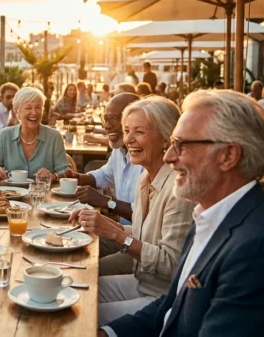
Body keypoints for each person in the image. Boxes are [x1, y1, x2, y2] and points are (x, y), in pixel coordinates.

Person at [100, 90, 264, 337]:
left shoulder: (260, 250)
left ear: (228, 156)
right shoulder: (210, 216)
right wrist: (108, 332)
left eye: (183, 144)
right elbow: (174, 305)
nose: (170, 157)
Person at [70, 96, 194, 325]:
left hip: (164, 296)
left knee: (79, 316)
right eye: (127, 131)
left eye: (139, 132)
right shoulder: (146, 178)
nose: (128, 139)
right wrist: (101, 222)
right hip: (141, 280)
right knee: (69, 289)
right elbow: (139, 235)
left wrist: (114, 233)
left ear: (166, 139)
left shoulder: (179, 189)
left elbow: (171, 263)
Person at [74, 93, 143, 227]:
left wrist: (106, 202)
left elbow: (145, 216)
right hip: (125, 232)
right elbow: (105, 175)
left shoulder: (147, 158)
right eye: (105, 119)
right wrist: (78, 177)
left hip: (138, 240)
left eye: (113, 119)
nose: (106, 126)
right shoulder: (119, 151)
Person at [0, 87, 71, 181]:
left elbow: (66, 171)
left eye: (38, 107)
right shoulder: (5, 135)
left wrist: (54, 176)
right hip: (12, 194)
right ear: (17, 112)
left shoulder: (54, 136)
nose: (34, 112)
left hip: (44, 194)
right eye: (28, 108)